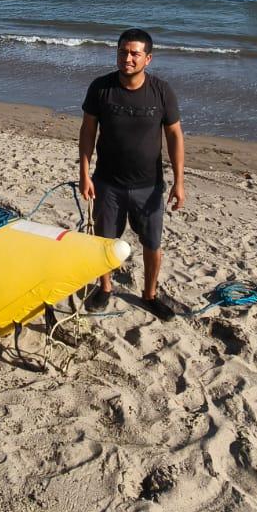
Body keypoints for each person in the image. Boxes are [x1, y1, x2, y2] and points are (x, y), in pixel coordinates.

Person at [78, 28, 186, 319]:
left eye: (135, 53)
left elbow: (175, 136)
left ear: (147, 59)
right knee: (104, 241)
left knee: (152, 244)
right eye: (123, 51)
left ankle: (149, 295)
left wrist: (179, 182)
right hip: (107, 183)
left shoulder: (162, 91)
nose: (128, 58)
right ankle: (105, 287)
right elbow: (88, 131)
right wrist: (84, 173)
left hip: (149, 187)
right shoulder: (101, 88)